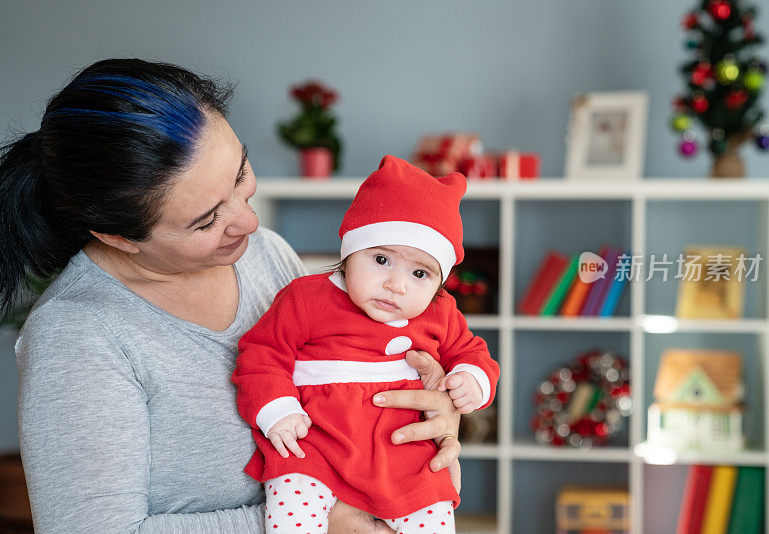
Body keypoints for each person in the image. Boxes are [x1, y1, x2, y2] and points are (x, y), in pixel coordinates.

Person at [0, 58, 463, 534]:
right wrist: (323, 520)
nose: (248, 223)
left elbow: (348, 382)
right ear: (118, 236)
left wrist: (432, 417)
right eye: (206, 220)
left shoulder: (267, 256)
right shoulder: (76, 337)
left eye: (241, 175)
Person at [232, 155, 500, 534]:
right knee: (291, 513)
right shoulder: (305, 299)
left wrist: (472, 380)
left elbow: (474, 353)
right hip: (317, 444)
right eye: (380, 259)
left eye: (420, 273)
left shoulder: (440, 313)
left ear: (440, 284)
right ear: (349, 253)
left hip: (403, 454)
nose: (397, 285)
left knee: (434, 513)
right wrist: (276, 408)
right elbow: (262, 354)